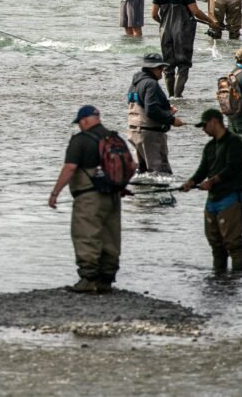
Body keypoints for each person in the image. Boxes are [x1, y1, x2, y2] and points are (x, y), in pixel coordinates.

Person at [48, 105, 121, 293]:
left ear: (85, 120)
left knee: (86, 236)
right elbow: (129, 165)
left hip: (89, 198)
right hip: (113, 196)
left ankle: (88, 280)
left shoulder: (80, 141)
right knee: (110, 237)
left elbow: (70, 168)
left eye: (80, 122)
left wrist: (55, 193)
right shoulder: (114, 138)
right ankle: (106, 280)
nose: (80, 126)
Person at [181, 109, 242, 273]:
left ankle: (238, 278)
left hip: (231, 197)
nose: (203, 130)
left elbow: (232, 168)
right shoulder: (210, 146)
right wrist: (191, 182)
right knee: (216, 243)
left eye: (204, 125)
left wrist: (212, 181)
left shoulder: (235, 142)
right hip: (213, 200)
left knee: (233, 242)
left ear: (215, 121)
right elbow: (203, 170)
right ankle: (219, 277)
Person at [150, 0, 219, 98]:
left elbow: (153, 14)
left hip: (165, 32)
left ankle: (170, 97)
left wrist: (162, 23)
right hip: (183, 32)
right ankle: (178, 96)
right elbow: (195, 11)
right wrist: (211, 22)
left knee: (168, 66)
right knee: (183, 65)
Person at [126, 54, 183, 174]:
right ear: (152, 68)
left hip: (134, 132)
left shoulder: (135, 83)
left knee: (141, 172)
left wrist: (165, 109)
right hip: (150, 135)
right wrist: (171, 119)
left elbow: (140, 104)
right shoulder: (151, 84)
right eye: (160, 68)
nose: (162, 71)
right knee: (160, 173)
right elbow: (151, 109)